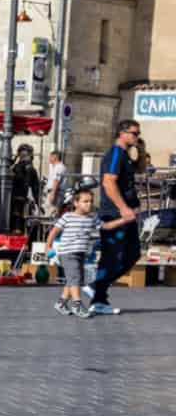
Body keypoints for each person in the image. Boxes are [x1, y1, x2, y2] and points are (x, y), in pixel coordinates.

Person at [89, 118, 142, 314]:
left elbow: (141, 169)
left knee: (133, 254)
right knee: (112, 257)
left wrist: (141, 149)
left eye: (138, 134)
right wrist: (123, 208)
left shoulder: (126, 155)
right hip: (114, 213)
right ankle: (98, 297)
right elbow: (108, 182)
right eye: (135, 133)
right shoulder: (115, 154)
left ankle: (97, 289)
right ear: (122, 133)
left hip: (125, 214)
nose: (137, 137)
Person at [46, 185, 111, 317]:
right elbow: (54, 232)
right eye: (85, 201)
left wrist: (123, 220)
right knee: (75, 279)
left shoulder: (92, 218)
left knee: (73, 280)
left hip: (81, 253)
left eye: (91, 201)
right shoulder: (67, 217)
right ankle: (77, 305)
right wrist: (48, 246)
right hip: (67, 253)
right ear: (76, 203)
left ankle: (61, 303)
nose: (89, 204)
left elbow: (105, 226)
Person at [42, 150, 67, 215]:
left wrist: (52, 194)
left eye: (50, 157)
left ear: (55, 157)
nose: (49, 158)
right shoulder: (53, 166)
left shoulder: (59, 167)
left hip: (56, 193)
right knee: (48, 212)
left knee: (52, 213)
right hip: (51, 192)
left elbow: (56, 181)